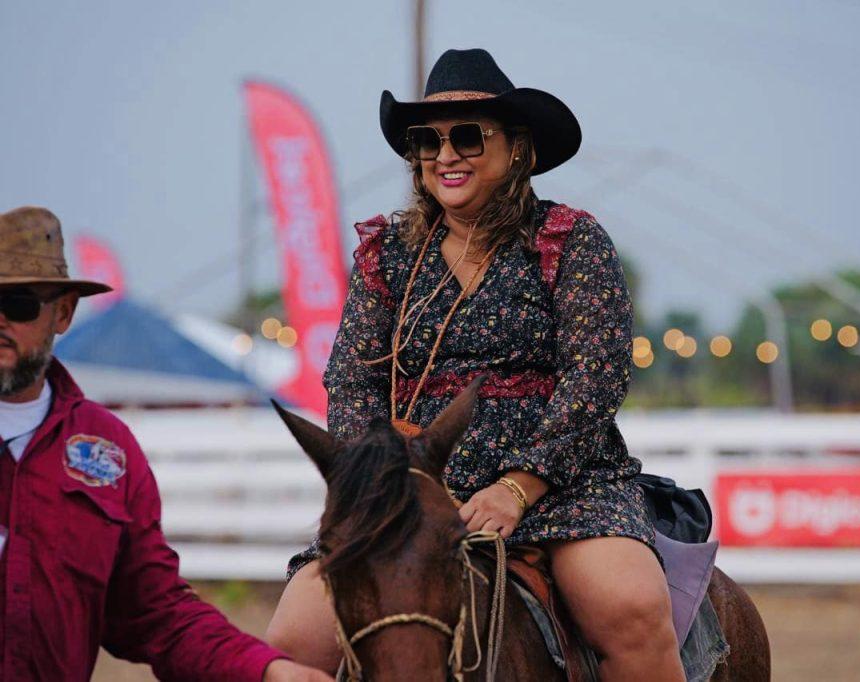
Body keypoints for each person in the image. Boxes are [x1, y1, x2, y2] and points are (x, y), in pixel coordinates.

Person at [268, 49, 686, 680]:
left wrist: (520, 485)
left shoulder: (570, 241)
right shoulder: (385, 254)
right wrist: (378, 480)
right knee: (291, 643)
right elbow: (352, 380)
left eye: (466, 136)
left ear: (516, 148)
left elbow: (595, 376)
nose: (445, 155)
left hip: (559, 485)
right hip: (410, 487)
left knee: (631, 609)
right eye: (426, 141)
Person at [0, 207, 331, 681]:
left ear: (64, 313)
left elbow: (157, 615)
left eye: (19, 303)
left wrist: (270, 672)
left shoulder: (108, 451)